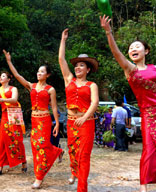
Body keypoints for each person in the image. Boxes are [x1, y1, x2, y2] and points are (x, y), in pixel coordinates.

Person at [100, 15, 156, 191]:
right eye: (130, 48)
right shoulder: (130, 69)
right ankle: (143, 187)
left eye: (137, 47)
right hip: (149, 115)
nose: (133, 49)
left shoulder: (155, 69)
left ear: (146, 51)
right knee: (150, 149)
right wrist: (108, 32)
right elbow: (116, 53)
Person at [3, 50, 63, 189]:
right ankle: (57, 151)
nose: (39, 73)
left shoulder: (50, 89)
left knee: (41, 145)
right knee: (36, 147)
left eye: (42, 72)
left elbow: (54, 107)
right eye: (38, 71)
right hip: (34, 120)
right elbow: (17, 76)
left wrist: (57, 124)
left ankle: (39, 177)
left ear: (47, 75)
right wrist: (9, 61)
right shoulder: (31, 86)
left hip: (45, 120)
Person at [58, 29, 99, 192]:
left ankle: (82, 188)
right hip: (71, 122)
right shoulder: (69, 80)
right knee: (73, 151)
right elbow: (61, 59)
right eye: (76, 65)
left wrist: (84, 117)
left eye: (81, 65)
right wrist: (63, 40)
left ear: (88, 69)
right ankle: (75, 172)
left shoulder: (92, 85)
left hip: (86, 123)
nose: (77, 67)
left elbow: (94, 103)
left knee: (84, 156)